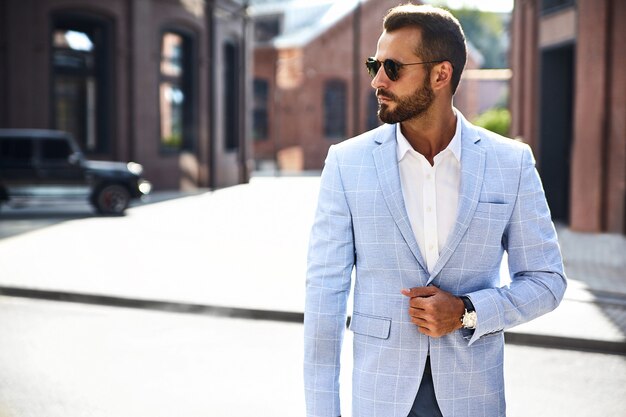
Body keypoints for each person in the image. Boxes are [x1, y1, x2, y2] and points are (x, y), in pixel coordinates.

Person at [303, 4, 567, 417]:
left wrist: (467, 312)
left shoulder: (510, 163)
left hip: (473, 398)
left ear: (440, 74)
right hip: (381, 398)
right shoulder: (346, 163)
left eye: (392, 67)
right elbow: (324, 298)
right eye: (375, 64)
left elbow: (547, 281)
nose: (377, 80)